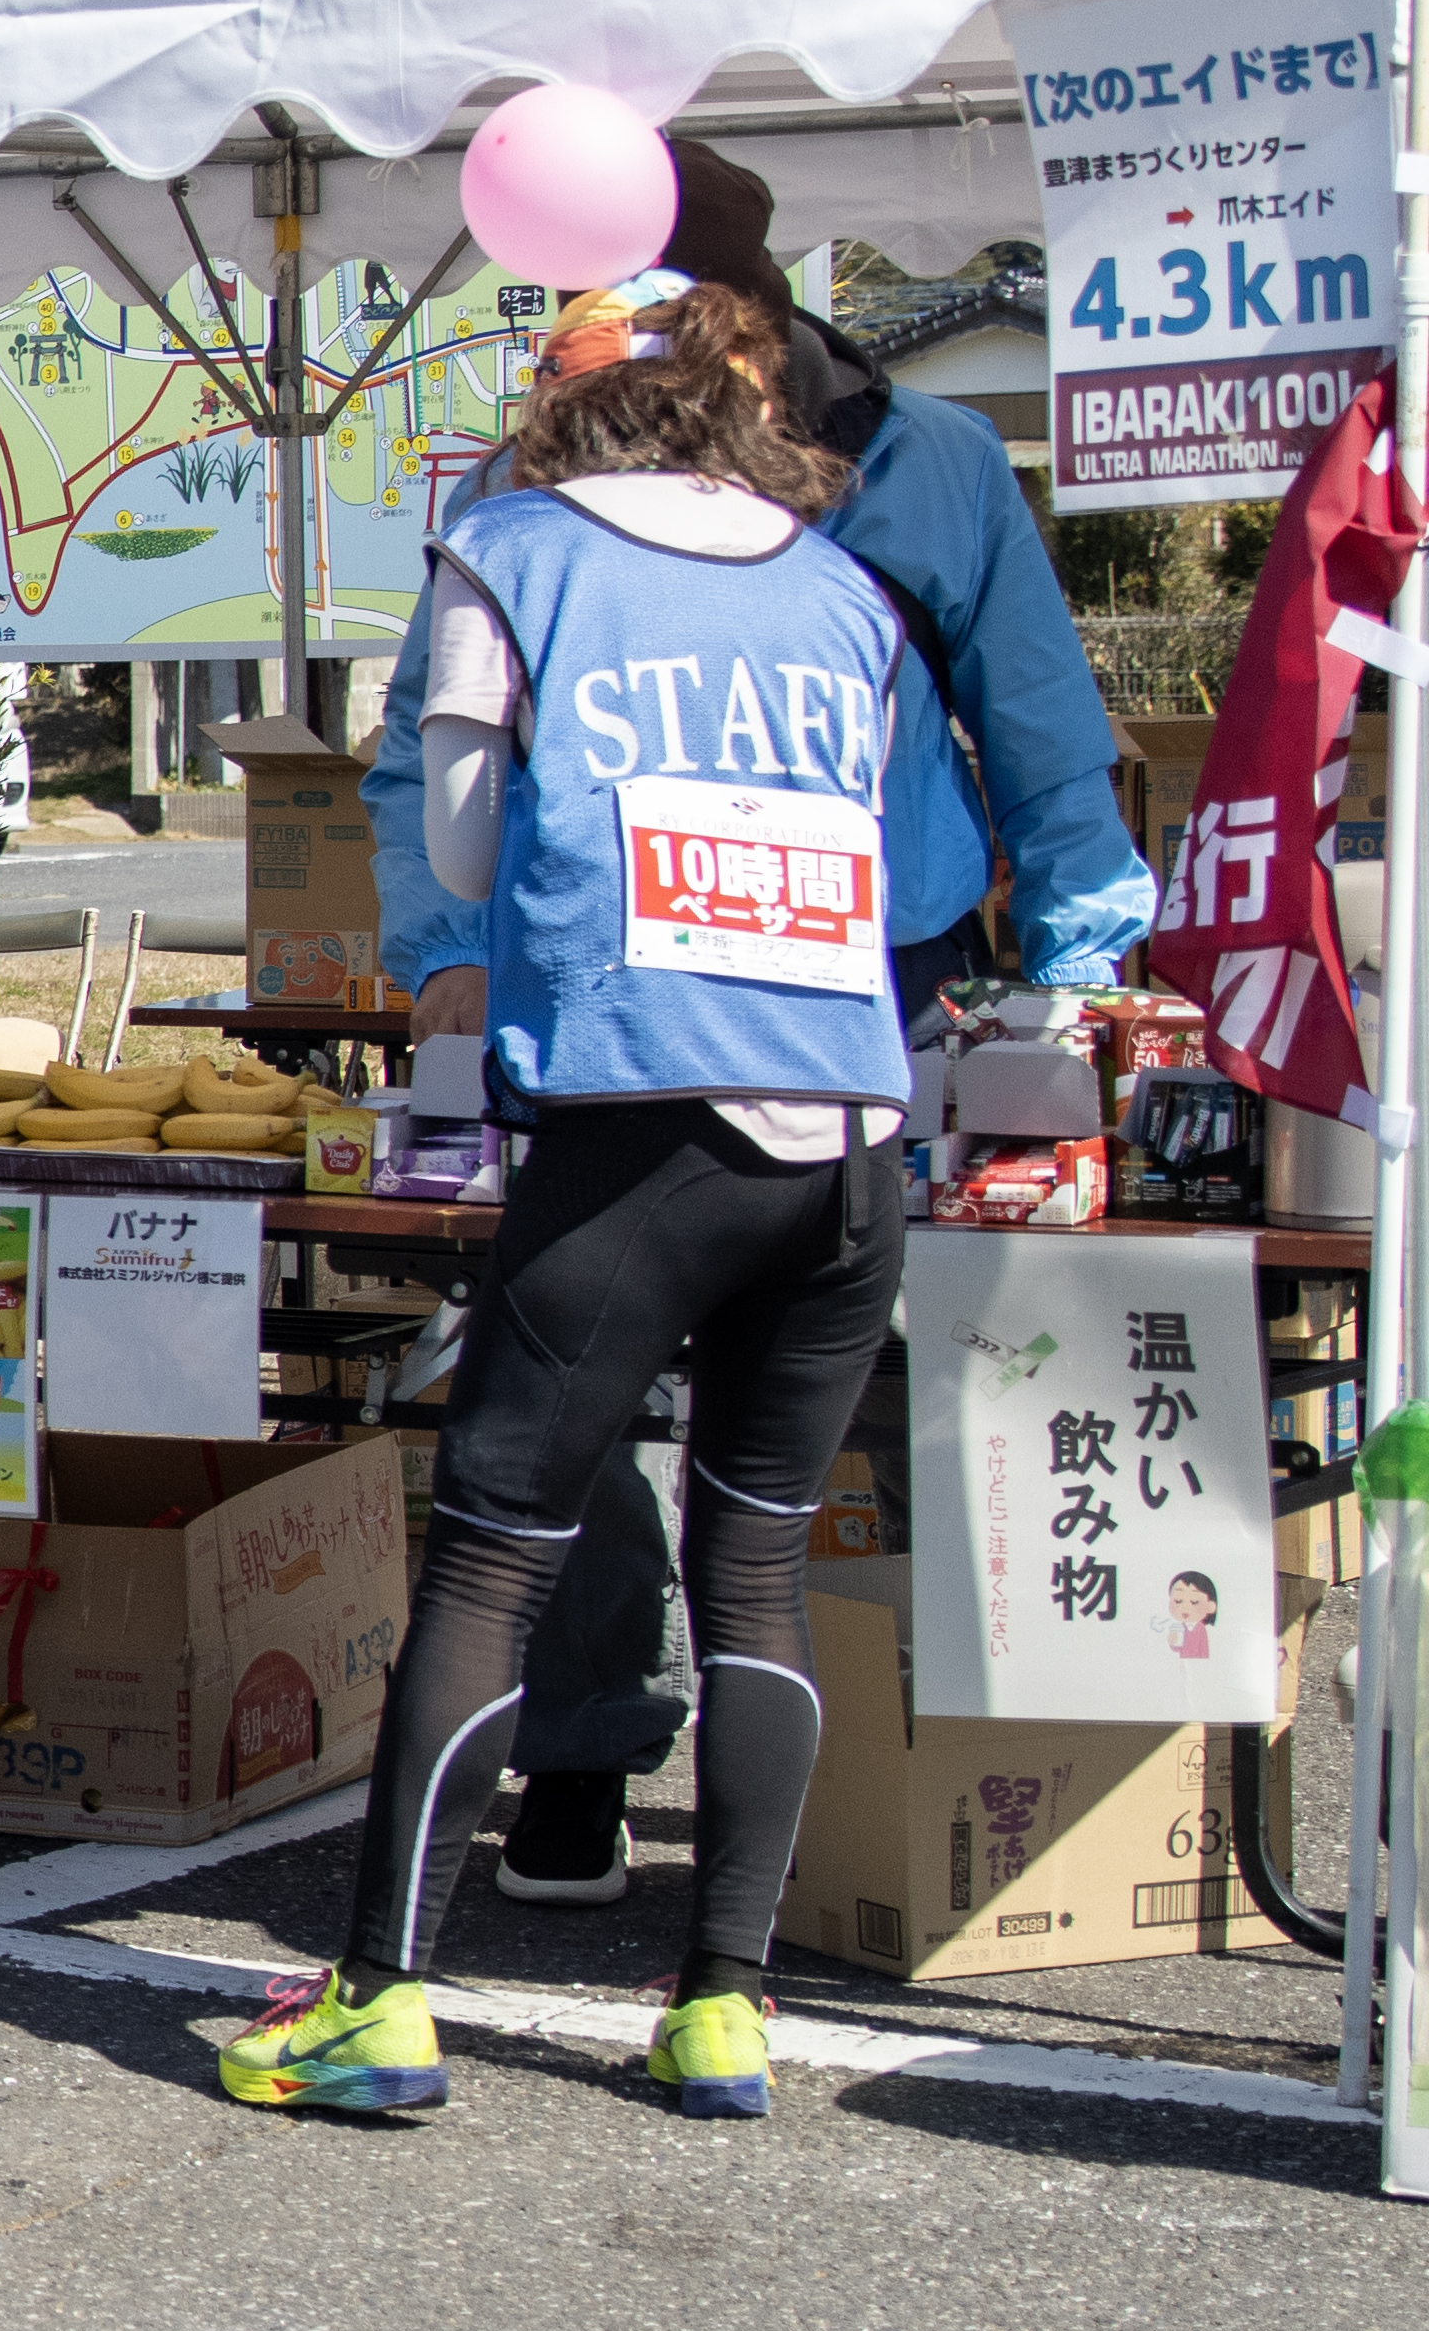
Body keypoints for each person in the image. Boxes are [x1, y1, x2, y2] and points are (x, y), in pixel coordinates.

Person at [364, 135, 1144, 1913]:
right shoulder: (533, 498)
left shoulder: (921, 465)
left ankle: (893, 1794)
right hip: (618, 995)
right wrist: (449, 955)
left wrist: (1091, 970)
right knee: (630, 1455)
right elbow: (427, 737)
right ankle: (591, 1762)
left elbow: (1035, 715)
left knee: (801, 1435)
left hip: (887, 981)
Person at [224, 275, 906, 2127]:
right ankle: (723, 2011)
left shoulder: (510, 549)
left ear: (566, 406)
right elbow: (905, 855)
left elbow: (452, 839)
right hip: (849, 1129)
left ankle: (381, 2002)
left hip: (632, 1114)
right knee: (751, 1554)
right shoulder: (841, 587)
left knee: (497, 1549)